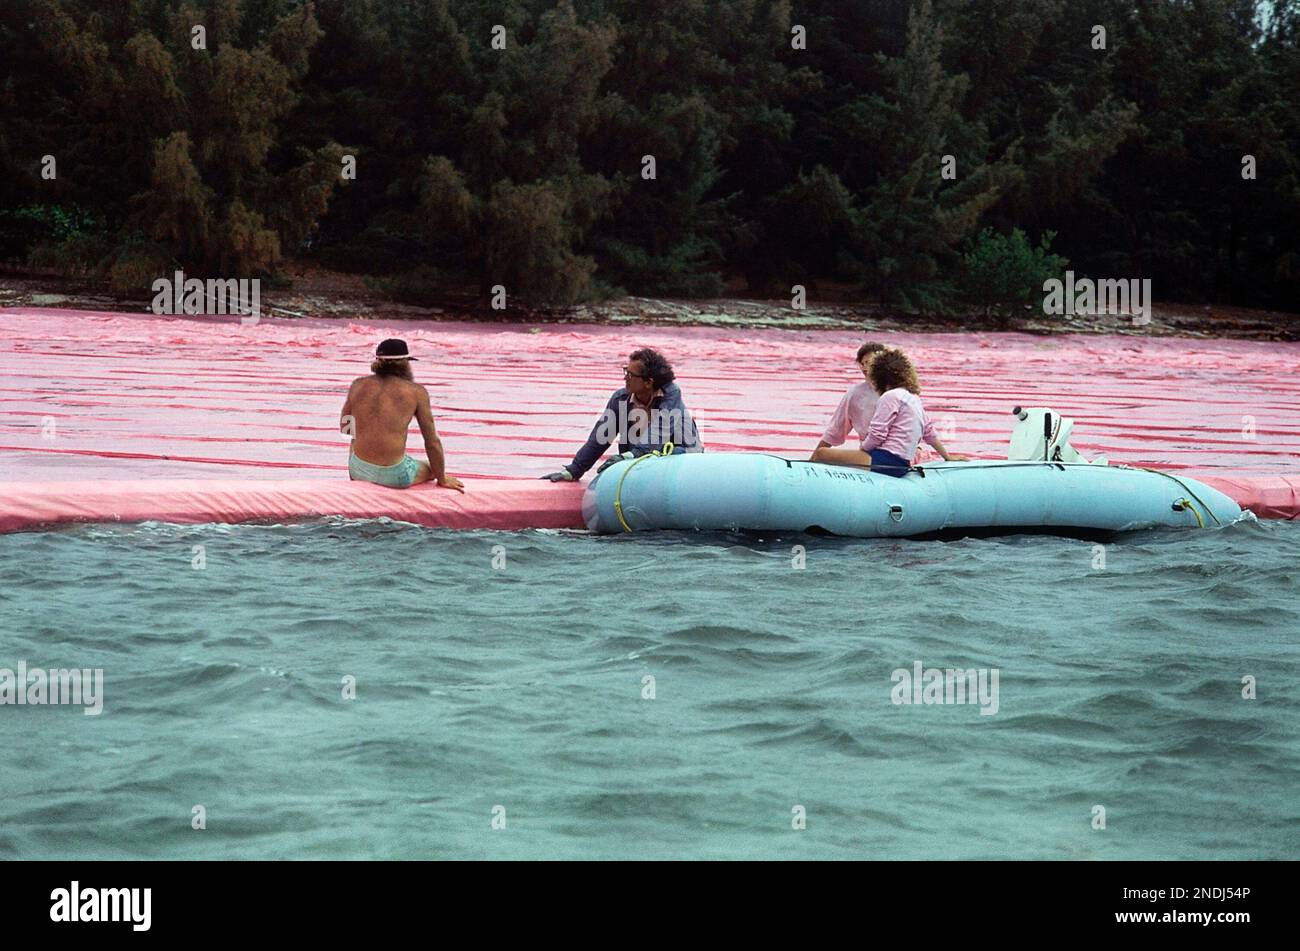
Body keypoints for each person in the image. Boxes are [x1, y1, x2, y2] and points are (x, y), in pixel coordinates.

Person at [541, 348, 703, 481]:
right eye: (626, 371)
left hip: (681, 454)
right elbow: (600, 437)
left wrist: (631, 455)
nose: (625, 378)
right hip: (643, 456)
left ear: (648, 382)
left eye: (630, 375)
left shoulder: (671, 394)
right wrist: (575, 470)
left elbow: (659, 432)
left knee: (669, 452)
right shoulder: (621, 398)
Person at [811, 348, 967, 476]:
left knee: (822, 454)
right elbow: (929, 432)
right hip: (903, 462)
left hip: (885, 460)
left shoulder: (889, 397)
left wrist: (862, 451)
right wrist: (947, 456)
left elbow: (877, 434)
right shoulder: (913, 398)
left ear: (879, 376)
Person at [340, 338, 465, 491]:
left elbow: (345, 424)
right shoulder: (416, 392)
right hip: (395, 476)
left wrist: (355, 447)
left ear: (378, 361)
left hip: (357, 470)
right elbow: (432, 441)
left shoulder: (357, 385)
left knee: (357, 444)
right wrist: (442, 478)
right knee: (431, 467)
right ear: (406, 363)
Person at [814, 341, 889, 455]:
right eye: (862, 363)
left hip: (883, 455)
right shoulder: (855, 394)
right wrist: (811, 462)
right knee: (822, 453)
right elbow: (835, 430)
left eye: (870, 363)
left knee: (823, 454)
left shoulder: (897, 392)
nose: (865, 368)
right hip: (871, 454)